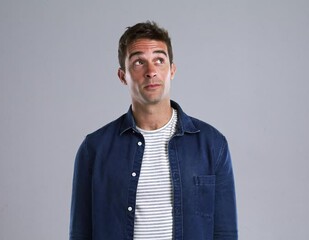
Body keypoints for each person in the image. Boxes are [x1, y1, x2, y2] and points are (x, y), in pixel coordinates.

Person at [70, 21, 238, 240]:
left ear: (172, 70)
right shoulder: (94, 149)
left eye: (159, 60)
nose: (151, 72)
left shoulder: (212, 144)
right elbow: (80, 233)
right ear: (123, 76)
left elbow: (225, 233)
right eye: (139, 62)